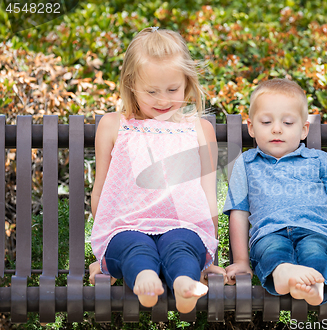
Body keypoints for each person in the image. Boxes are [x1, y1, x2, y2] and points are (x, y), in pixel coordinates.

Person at [88, 27, 227, 313]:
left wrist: (213, 259)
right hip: (126, 227)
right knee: (133, 248)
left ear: (187, 84)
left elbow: (208, 196)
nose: (163, 100)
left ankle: (185, 283)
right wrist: (104, 253)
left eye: (172, 89)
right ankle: (145, 279)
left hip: (184, 226)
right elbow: (100, 192)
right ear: (130, 84)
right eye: (151, 92)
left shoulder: (199, 130)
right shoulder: (114, 125)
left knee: (183, 247)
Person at [223, 78, 327, 306]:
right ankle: (283, 273)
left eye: (288, 123)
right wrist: (241, 261)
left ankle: (312, 286)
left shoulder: (319, 160)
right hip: (269, 233)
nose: (277, 128)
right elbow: (238, 213)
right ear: (251, 128)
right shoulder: (246, 164)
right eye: (266, 122)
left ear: (303, 129)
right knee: (272, 250)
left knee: (316, 253)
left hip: (314, 231)